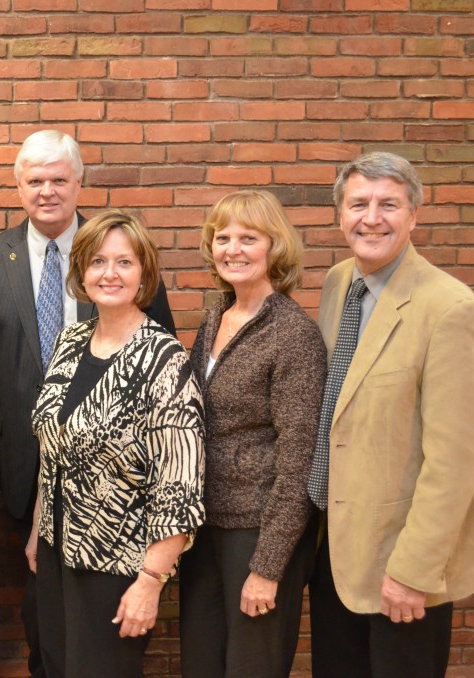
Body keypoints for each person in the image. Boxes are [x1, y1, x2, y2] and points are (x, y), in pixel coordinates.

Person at [0, 130, 176, 676]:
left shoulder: (121, 256)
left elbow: (163, 357)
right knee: (47, 625)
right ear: (18, 187)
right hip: (26, 473)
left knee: (99, 637)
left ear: (80, 182)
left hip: (117, 494)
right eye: (35, 180)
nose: (48, 190)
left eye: (60, 179)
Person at [306, 152, 474, 678]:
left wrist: (412, 571)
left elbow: (455, 462)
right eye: (358, 203)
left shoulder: (450, 309)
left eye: (389, 204)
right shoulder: (340, 283)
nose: (372, 218)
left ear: (415, 215)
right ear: (340, 215)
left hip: (401, 566)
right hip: (337, 552)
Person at [30, 210, 205, 677]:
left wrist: (149, 584)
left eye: (124, 263)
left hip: (117, 565)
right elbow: (53, 454)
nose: (110, 274)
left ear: (144, 273)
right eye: (98, 262)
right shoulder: (70, 341)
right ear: (81, 271)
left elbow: (179, 488)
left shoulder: (164, 359)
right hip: (54, 550)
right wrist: (36, 530)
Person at [178, 190, 326, 677]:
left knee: (251, 668)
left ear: (274, 247)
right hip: (205, 527)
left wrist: (267, 567)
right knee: (201, 663)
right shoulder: (216, 314)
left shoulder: (293, 334)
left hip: (258, 531)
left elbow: (299, 458)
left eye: (248, 237)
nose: (232, 249)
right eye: (223, 237)